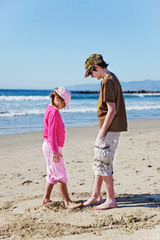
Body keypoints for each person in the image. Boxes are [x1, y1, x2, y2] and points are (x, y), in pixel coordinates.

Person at [83, 54, 127, 210]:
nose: (91, 77)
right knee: (99, 160)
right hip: (111, 128)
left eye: (91, 73)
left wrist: (102, 130)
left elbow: (112, 109)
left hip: (109, 128)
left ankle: (110, 200)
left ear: (96, 68)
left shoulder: (107, 80)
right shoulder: (112, 77)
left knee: (104, 160)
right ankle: (96, 194)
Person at [41, 86, 82, 208]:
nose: (64, 106)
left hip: (49, 146)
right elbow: (51, 133)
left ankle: (46, 199)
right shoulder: (53, 112)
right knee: (60, 173)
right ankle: (67, 201)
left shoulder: (49, 109)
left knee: (51, 174)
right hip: (52, 147)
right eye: (64, 103)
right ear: (57, 98)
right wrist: (55, 151)